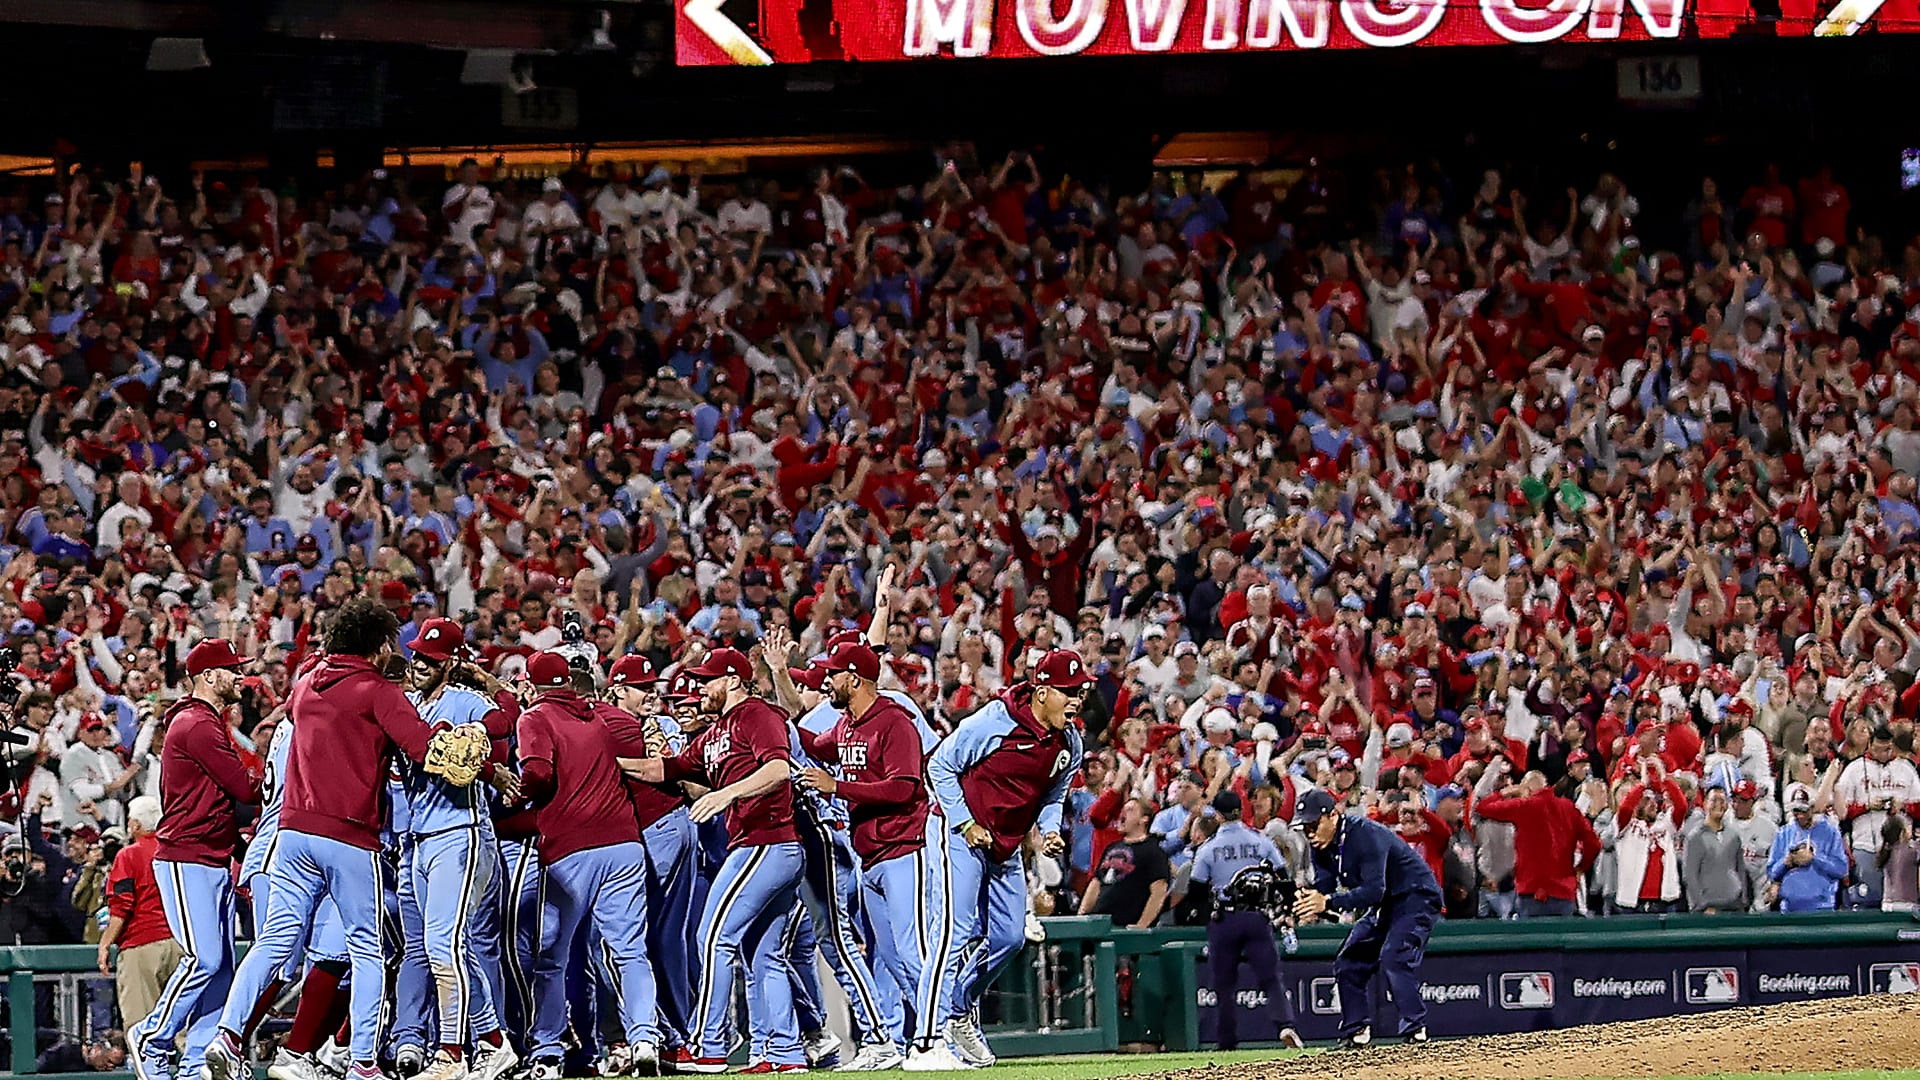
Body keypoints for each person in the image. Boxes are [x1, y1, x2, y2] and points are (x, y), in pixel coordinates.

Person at [203, 599, 445, 1080]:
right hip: (349, 835)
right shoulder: (377, 689)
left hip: (292, 833)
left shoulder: (307, 683)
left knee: (273, 943)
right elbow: (424, 748)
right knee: (367, 948)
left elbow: (291, 709)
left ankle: (227, 1035)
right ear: (378, 648)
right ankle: (361, 1062)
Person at [623, 647, 804, 1074]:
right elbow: (667, 768)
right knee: (764, 955)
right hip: (765, 846)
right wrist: (608, 762)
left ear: (733, 681)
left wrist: (727, 792)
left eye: (709, 681)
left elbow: (779, 769)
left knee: (712, 937)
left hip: (766, 842)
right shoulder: (718, 731)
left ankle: (708, 1045)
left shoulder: (757, 714)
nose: (701, 688)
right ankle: (785, 1053)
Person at [909, 649, 1087, 1072]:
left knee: (1009, 936)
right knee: (952, 934)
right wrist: (965, 822)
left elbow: (1053, 793)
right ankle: (925, 1042)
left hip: (1005, 844)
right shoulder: (995, 720)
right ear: (1042, 692)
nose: (1076, 700)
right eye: (1068, 692)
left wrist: (1049, 829)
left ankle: (957, 1010)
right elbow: (940, 766)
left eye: (1080, 692)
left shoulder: (1070, 742)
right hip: (959, 834)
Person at [516, 651, 658, 1077]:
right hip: (623, 844)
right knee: (631, 950)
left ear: (533, 685)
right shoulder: (600, 717)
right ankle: (645, 1039)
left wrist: (515, 795)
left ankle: (547, 1049)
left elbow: (538, 775)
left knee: (552, 956)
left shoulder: (535, 717)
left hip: (570, 848)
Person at [794, 639, 930, 1073]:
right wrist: (778, 716)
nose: (827, 681)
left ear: (854, 678)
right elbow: (817, 745)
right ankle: (907, 1041)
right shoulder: (849, 724)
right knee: (889, 957)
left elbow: (905, 787)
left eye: (833, 674)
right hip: (868, 854)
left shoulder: (895, 722)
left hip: (904, 849)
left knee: (912, 953)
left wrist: (839, 788)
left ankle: (941, 1034)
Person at [396, 618, 522, 1080]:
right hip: (417, 836)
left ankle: (451, 1054)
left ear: (449, 661)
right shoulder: (406, 704)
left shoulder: (464, 700)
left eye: (431, 657)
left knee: (441, 945)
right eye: (417, 655)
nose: (420, 663)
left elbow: (503, 719)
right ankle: (492, 1042)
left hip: (461, 830)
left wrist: (484, 747)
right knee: (450, 948)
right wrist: (491, 770)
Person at [129, 639, 259, 1080]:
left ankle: (197, 1060)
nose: (240, 677)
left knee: (221, 968)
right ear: (208, 676)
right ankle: (152, 1036)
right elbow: (244, 789)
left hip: (212, 855)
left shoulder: (204, 720)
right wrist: (272, 769)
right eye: (232, 670)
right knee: (204, 959)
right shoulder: (195, 723)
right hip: (186, 855)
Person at [1292, 786, 1442, 1049]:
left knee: (1394, 956)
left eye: (1314, 824)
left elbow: (1374, 890)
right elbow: (1325, 884)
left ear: (1332, 816)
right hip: (1386, 903)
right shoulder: (1321, 846)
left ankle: (1416, 1031)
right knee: (1348, 961)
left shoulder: (1365, 835)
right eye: (1305, 828)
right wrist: (1306, 900)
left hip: (1416, 896)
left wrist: (1326, 901)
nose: (1310, 833)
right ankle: (1356, 1030)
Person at [1187, 791, 1300, 1051]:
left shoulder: (1209, 848)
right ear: (1241, 810)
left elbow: (1195, 891)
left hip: (1225, 917)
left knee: (1224, 985)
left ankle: (1227, 1043)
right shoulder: (1260, 841)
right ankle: (1286, 1025)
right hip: (1257, 916)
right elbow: (1283, 878)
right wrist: (1285, 910)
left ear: (1217, 815)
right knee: (1271, 978)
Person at [99, 796, 180, 1040]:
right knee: (186, 1028)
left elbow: (121, 907)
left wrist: (104, 944)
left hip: (141, 944)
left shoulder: (128, 855)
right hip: (182, 943)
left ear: (135, 825)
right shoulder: (176, 849)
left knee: (141, 1030)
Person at [1472, 764, 1601, 917]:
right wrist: (1581, 867)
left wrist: (1506, 792)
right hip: (1563, 891)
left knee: (1531, 940)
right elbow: (1594, 843)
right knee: (1561, 939)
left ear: (1526, 788)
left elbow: (1482, 807)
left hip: (1530, 891)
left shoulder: (1523, 806)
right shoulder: (1569, 808)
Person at [1079, 797, 1172, 930]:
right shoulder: (1111, 847)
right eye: (1124, 809)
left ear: (1144, 819)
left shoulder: (1154, 852)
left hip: (1125, 927)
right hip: (1098, 923)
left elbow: (1158, 891)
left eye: (1130, 810)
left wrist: (1142, 925)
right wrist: (1081, 916)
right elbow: (1096, 883)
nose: (1123, 813)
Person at [1769, 786, 1849, 913]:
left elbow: (1841, 869)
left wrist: (1814, 859)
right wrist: (1785, 862)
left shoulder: (1830, 833)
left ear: (1813, 808)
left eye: (1803, 811)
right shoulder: (1784, 833)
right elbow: (1772, 872)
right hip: (1789, 908)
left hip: (1822, 907)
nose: (1799, 815)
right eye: (1796, 810)